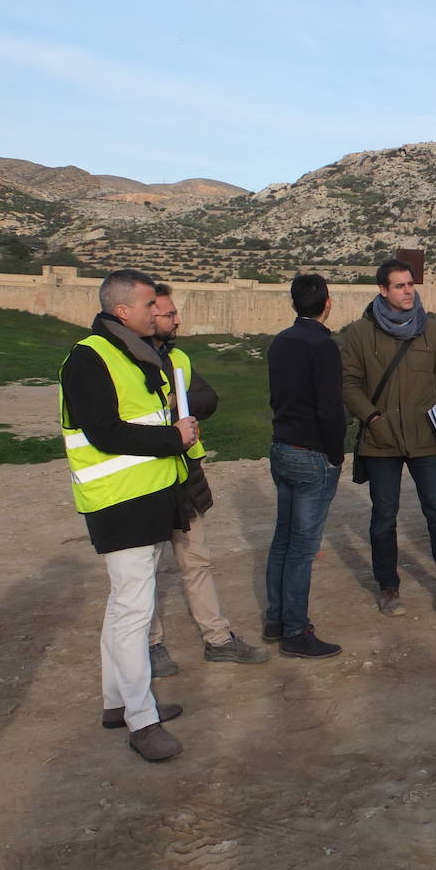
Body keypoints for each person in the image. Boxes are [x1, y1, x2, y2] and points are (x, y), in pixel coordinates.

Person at [59, 269, 196, 761]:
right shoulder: (89, 359)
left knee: (123, 605)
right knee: (134, 612)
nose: (153, 312)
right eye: (146, 306)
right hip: (119, 503)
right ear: (122, 312)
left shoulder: (130, 353)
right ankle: (142, 721)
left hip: (145, 498)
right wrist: (173, 438)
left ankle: (117, 702)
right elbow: (105, 433)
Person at [145, 283, 269, 674]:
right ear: (148, 317)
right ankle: (149, 645)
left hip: (185, 478)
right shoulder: (126, 364)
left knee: (196, 561)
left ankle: (217, 639)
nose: (177, 320)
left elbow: (208, 398)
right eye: (169, 314)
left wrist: (176, 402)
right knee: (143, 571)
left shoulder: (178, 357)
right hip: (145, 480)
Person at [343, 258, 436, 615]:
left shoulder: (433, 331)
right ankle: (388, 587)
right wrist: (372, 417)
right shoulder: (359, 334)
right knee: (383, 517)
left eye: (410, 284)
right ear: (383, 290)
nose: (408, 290)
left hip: (426, 438)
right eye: (399, 285)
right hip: (380, 442)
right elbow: (348, 384)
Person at [265, 274, 345, 658]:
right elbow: (330, 407)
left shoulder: (281, 342)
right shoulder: (323, 346)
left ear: (293, 304)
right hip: (312, 453)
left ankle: (277, 618)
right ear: (327, 303)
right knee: (303, 546)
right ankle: (296, 630)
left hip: (281, 446)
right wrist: (336, 454)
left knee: (283, 538)